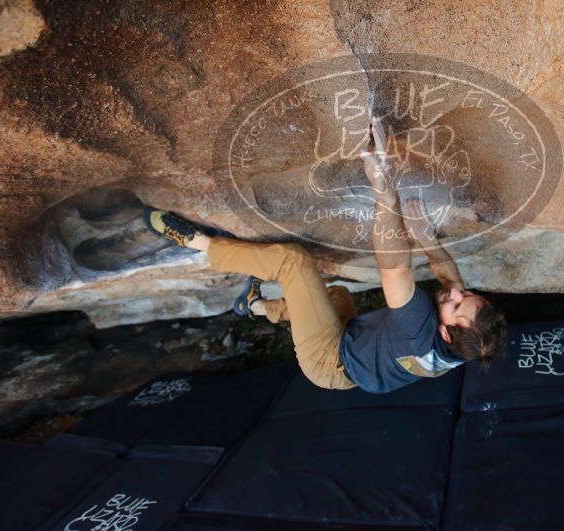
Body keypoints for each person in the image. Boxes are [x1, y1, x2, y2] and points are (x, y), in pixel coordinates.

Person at [143, 117, 507, 393]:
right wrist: (426, 237)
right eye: (471, 297)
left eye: (457, 305)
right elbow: (450, 279)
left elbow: (394, 268)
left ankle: (198, 243)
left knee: (293, 262)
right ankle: (254, 307)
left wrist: (386, 196)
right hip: (355, 344)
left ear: (444, 334)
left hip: (329, 363)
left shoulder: (419, 330)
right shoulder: (466, 342)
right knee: (337, 295)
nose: (460, 294)